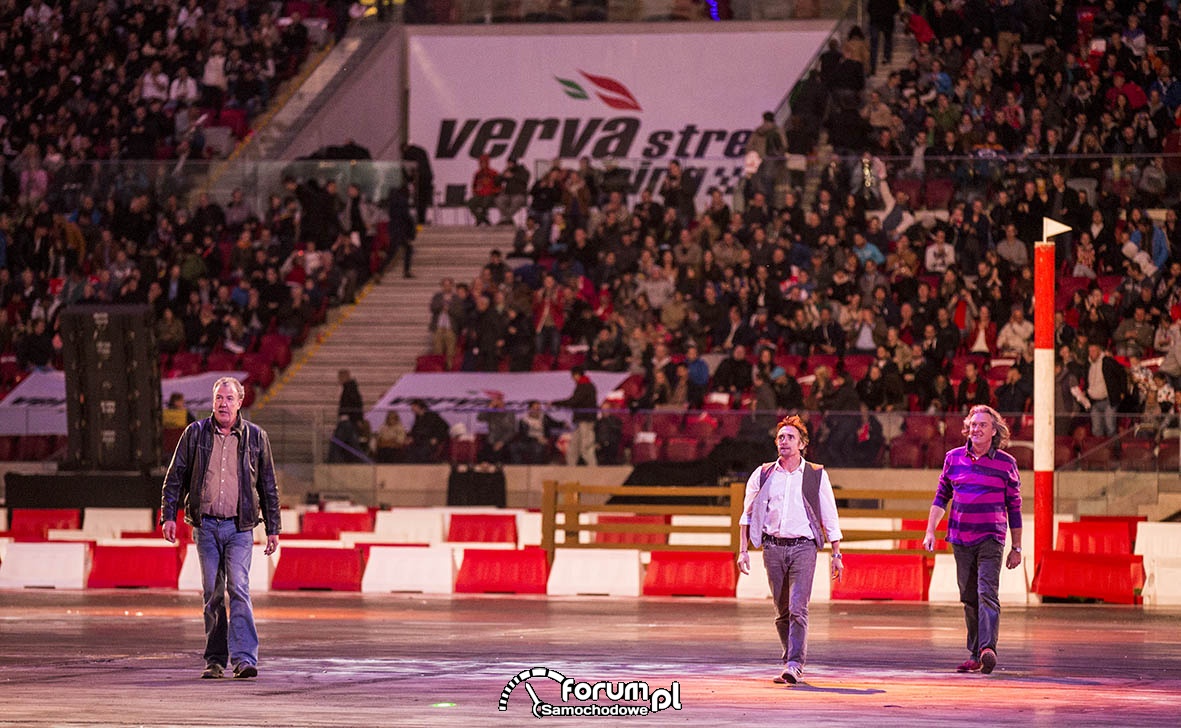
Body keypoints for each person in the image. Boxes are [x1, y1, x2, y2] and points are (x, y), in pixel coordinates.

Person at [160, 376, 280, 680]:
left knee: (238, 589)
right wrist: (168, 515)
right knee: (212, 594)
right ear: (213, 402)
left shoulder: (256, 437)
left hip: (240, 529)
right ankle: (214, 660)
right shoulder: (194, 434)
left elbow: (268, 486)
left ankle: (244, 659)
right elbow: (175, 476)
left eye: (229, 398)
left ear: (240, 402)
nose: (223, 404)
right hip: (207, 527)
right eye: (218, 399)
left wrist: (273, 528)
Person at [737, 415, 844, 686]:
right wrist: (743, 550)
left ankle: (795, 664)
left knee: (798, 608)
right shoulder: (763, 474)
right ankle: (790, 658)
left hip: (803, 548)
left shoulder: (815, 474)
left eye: (790, 437)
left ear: (802, 444)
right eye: (780, 437)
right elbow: (746, 515)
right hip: (772, 548)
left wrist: (836, 554)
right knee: (782, 612)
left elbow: (830, 515)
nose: (784, 441)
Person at [923, 405, 1022, 676]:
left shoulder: (1006, 463)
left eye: (983, 425)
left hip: (992, 539)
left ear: (994, 431)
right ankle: (975, 653)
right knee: (968, 597)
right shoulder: (953, 459)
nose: (977, 429)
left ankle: (987, 649)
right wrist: (930, 530)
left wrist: (1017, 547)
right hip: (960, 539)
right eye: (974, 424)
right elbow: (941, 497)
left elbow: (1014, 508)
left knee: (986, 592)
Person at [551, 366, 598, 466]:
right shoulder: (585, 385)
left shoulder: (585, 386)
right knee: (573, 448)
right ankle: (570, 469)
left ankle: (593, 469)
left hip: (585, 420)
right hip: (580, 421)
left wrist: (555, 403)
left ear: (576, 375)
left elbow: (574, 401)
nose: (572, 378)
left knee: (585, 447)